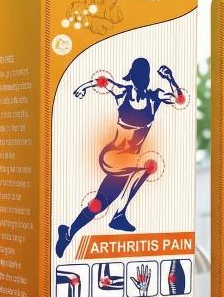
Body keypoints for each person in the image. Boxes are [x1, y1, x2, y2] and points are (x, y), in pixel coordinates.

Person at [55, 57, 183, 258]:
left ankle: (68, 233)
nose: (143, 80)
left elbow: (179, 100)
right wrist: (83, 87)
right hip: (112, 156)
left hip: (128, 166)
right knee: (148, 165)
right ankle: (119, 215)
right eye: (139, 75)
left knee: (98, 204)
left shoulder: (154, 97)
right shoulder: (123, 93)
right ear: (132, 76)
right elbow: (103, 82)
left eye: (145, 76)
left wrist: (170, 78)